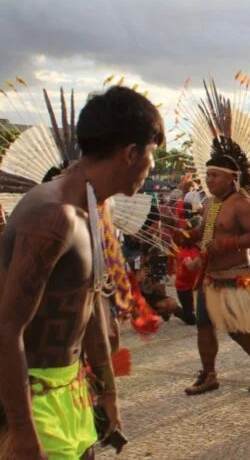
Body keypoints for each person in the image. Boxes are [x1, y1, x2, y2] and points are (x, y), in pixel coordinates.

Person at [0, 86, 164, 458]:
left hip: (72, 392)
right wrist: (24, 435)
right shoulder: (52, 216)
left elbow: (88, 306)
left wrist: (107, 393)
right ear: (130, 153)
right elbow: (6, 329)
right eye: (152, 154)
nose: (152, 166)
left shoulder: (92, 207)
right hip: (35, 402)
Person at [181, 80, 250, 396]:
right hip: (210, 276)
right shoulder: (210, 203)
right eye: (208, 175)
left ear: (232, 178)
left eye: (215, 176)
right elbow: (206, 232)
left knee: (237, 330)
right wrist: (187, 234)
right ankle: (209, 374)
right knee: (203, 326)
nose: (208, 180)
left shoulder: (242, 203)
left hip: (235, 276)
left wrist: (228, 244)